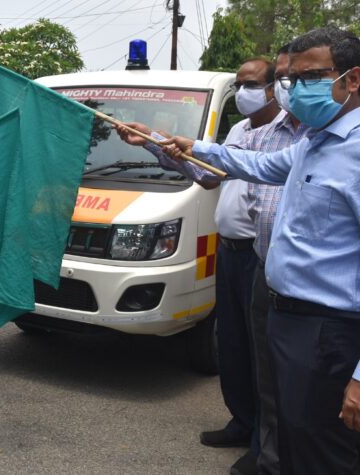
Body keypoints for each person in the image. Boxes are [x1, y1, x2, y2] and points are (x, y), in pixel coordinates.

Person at [150, 27, 360, 475]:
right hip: (289, 317)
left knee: (328, 452)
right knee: (297, 436)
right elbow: (258, 164)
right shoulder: (316, 142)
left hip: (330, 331)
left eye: (311, 77)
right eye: (292, 80)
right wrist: (193, 146)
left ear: (352, 79)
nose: (297, 90)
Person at [119, 57, 281, 475]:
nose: (243, 90)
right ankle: (242, 422)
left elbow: (242, 170)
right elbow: (208, 176)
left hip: (263, 256)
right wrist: (153, 142)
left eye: (251, 83)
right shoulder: (240, 130)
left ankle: (265, 445)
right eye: (240, 83)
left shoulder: (288, 135)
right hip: (230, 252)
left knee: (262, 354)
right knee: (232, 344)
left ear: (272, 88)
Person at [243, 45, 310, 475]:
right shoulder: (270, 136)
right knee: (269, 386)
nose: (291, 87)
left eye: (301, 78)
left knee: (312, 401)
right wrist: (163, 144)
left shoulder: (333, 141)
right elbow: (230, 163)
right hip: (265, 274)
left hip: (320, 302)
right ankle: (269, 462)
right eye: (286, 77)